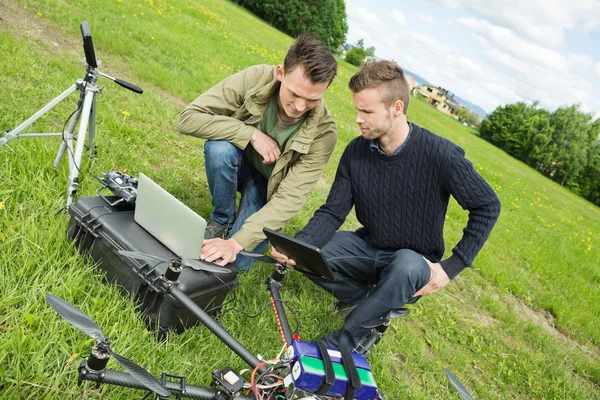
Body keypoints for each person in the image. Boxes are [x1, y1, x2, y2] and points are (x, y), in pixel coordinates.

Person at [271, 59, 501, 351]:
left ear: (396, 108)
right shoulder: (356, 151)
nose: (358, 118)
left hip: (413, 261)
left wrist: (451, 267)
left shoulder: (441, 155)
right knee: (314, 254)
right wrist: (297, 246)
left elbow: (487, 206)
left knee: (404, 266)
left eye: (366, 111)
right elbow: (332, 212)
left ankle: (340, 346)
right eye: (357, 109)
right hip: (368, 247)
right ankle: (364, 301)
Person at [177, 33, 338, 271]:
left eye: (312, 100)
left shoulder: (325, 133)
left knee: (236, 263)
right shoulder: (256, 78)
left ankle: (234, 230)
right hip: (238, 161)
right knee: (219, 149)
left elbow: (289, 199)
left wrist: (235, 243)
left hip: (269, 191)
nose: (300, 107)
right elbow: (188, 119)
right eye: (294, 94)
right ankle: (221, 217)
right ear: (280, 73)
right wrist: (250, 135)